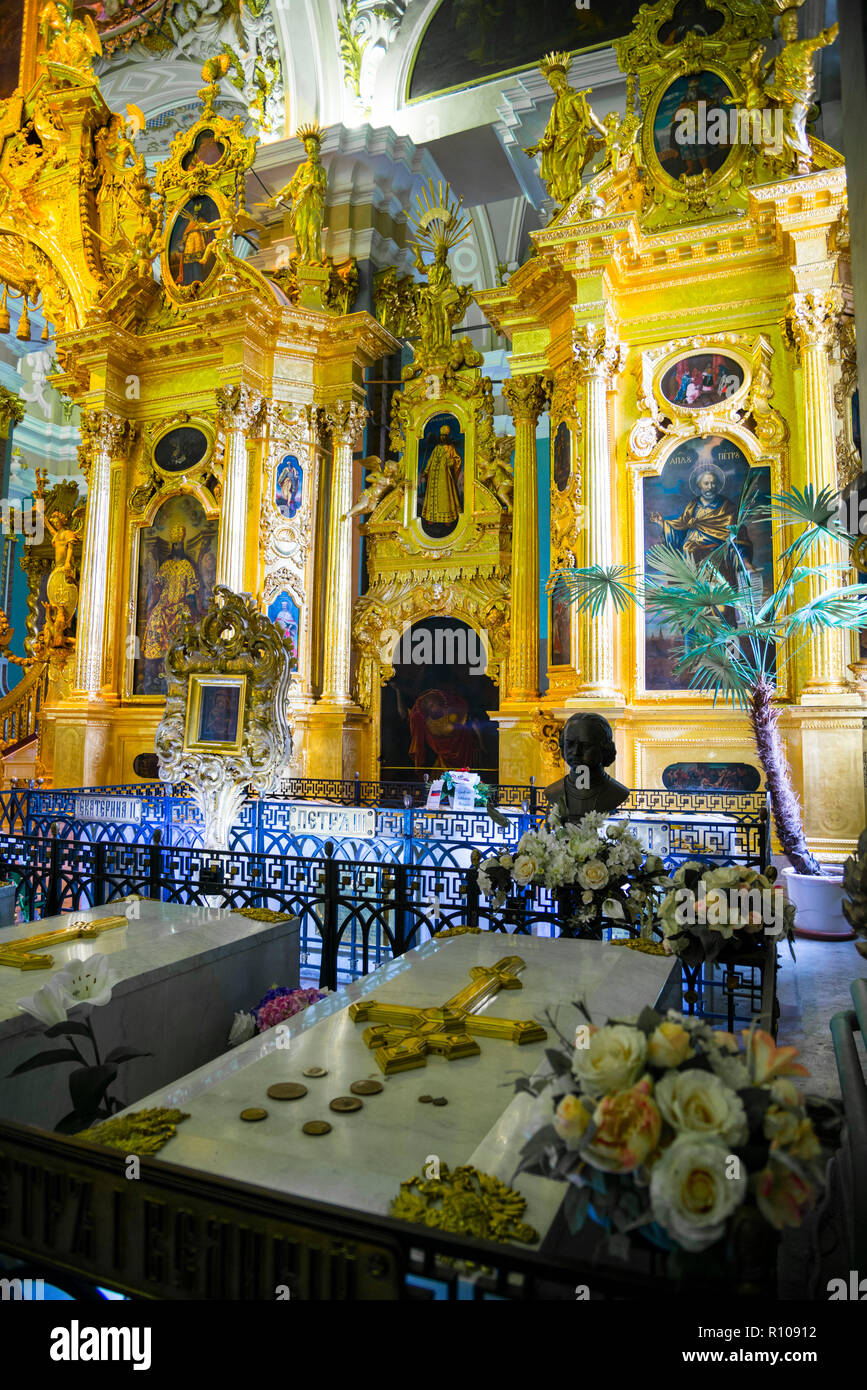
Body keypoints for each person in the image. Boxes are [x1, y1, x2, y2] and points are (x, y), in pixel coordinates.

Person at [142, 523, 199, 689]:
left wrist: (189, 598)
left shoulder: (188, 566)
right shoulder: (165, 566)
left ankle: (180, 666)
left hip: (181, 604)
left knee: (184, 621)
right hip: (164, 603)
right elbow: (157, 585)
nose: (177, 547)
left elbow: (193, 588)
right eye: (175, 544)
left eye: (179, 544)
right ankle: (155, 669)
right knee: (155, 618)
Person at [544, 713, 629, 820]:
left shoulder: (617, 793)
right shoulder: (553, 791)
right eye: (569, 744)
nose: (575, 752)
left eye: (586, 745)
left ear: (604, 748)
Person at [420, 423, 462, 529]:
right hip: (433, 477)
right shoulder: (437, 448)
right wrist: (426, 471)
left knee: (445, 496)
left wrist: (451, 462)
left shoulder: (451, 448)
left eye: (445, 436)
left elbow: (458, 460)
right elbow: (430, 460)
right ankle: (432, 518)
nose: (443, 438)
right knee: (433, 497)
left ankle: (447, 519)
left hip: (445, 478)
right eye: (442, 436)